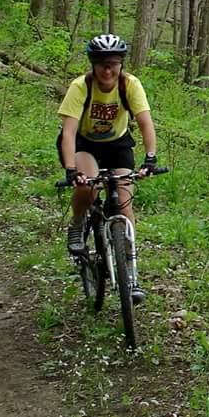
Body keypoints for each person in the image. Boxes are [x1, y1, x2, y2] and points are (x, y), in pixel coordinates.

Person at [57, 33, 157, 304]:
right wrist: (70, 169)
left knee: (124, 203)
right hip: (84, 143)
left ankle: (132, 275)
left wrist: (150, 158)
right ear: (93, 64)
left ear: (121, 63)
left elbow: (146, 123)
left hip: (117, 145)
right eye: (102, 64)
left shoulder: (130, 85)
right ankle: (78, 223)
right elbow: (67, 133)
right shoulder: (80, 87)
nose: (108, 69)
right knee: (87, 185)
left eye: (113, 63)